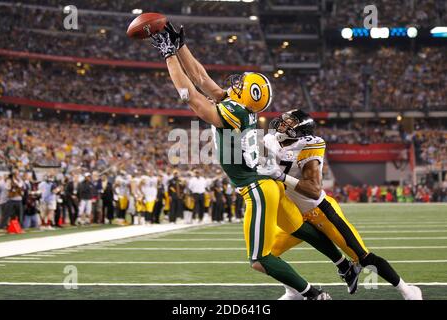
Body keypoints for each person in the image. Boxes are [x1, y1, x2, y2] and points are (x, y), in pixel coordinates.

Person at [147, 23, 345, 299]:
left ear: (245, 95)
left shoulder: (233, 112)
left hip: (258, 189)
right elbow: (202, 78)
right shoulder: (241, 109)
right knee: (299, 227)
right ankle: (343, 263)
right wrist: (180, 47)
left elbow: (189, 94)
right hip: (265, 184)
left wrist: (168, 55)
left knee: (260, 259)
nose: (236, 84)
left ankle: (312, 295)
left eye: (242, 85)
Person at [259, 109, 423, 300]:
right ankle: (293, 291)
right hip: (294, 213)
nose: (283, 123)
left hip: (320, 212)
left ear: (300, 131)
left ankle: (408, 291)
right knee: (266, 256)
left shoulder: (309, 145)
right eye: (285, 119)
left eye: (289, 122)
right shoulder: (269, 139)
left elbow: (314, 189)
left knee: (363, 256)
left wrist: (281, 176)